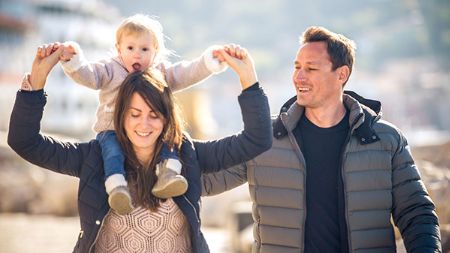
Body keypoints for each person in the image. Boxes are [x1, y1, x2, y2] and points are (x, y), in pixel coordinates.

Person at [8, 42, 272, 252]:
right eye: (134, 114)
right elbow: (26, 142)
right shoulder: (94, 157)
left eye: (154, 114)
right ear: (120, 116)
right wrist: (37, 81)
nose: (143, 124)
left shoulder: (188, 156)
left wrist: (248, 78)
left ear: (167, 116)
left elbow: (256, 140)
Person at [202, 26, 442, 252]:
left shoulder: (385, 140)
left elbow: (416, 213)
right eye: (297, 67)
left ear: (342, 74)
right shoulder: (265, 137)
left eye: (311, 68)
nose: (299, 77)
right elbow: (206, 180)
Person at [36, 14, 230, 215]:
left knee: (170, 140)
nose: (137, 55)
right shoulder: (109, 70)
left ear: (155, 52)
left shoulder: (159, 73)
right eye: (130, 48)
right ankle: (117, 188)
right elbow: (89, 75)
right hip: (111, 128)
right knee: (112, 153)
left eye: (144, 49)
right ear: (119, 49)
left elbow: (186, 73)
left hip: (149, 131)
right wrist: (74, 61)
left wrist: (208, 62)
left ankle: (167, 175)